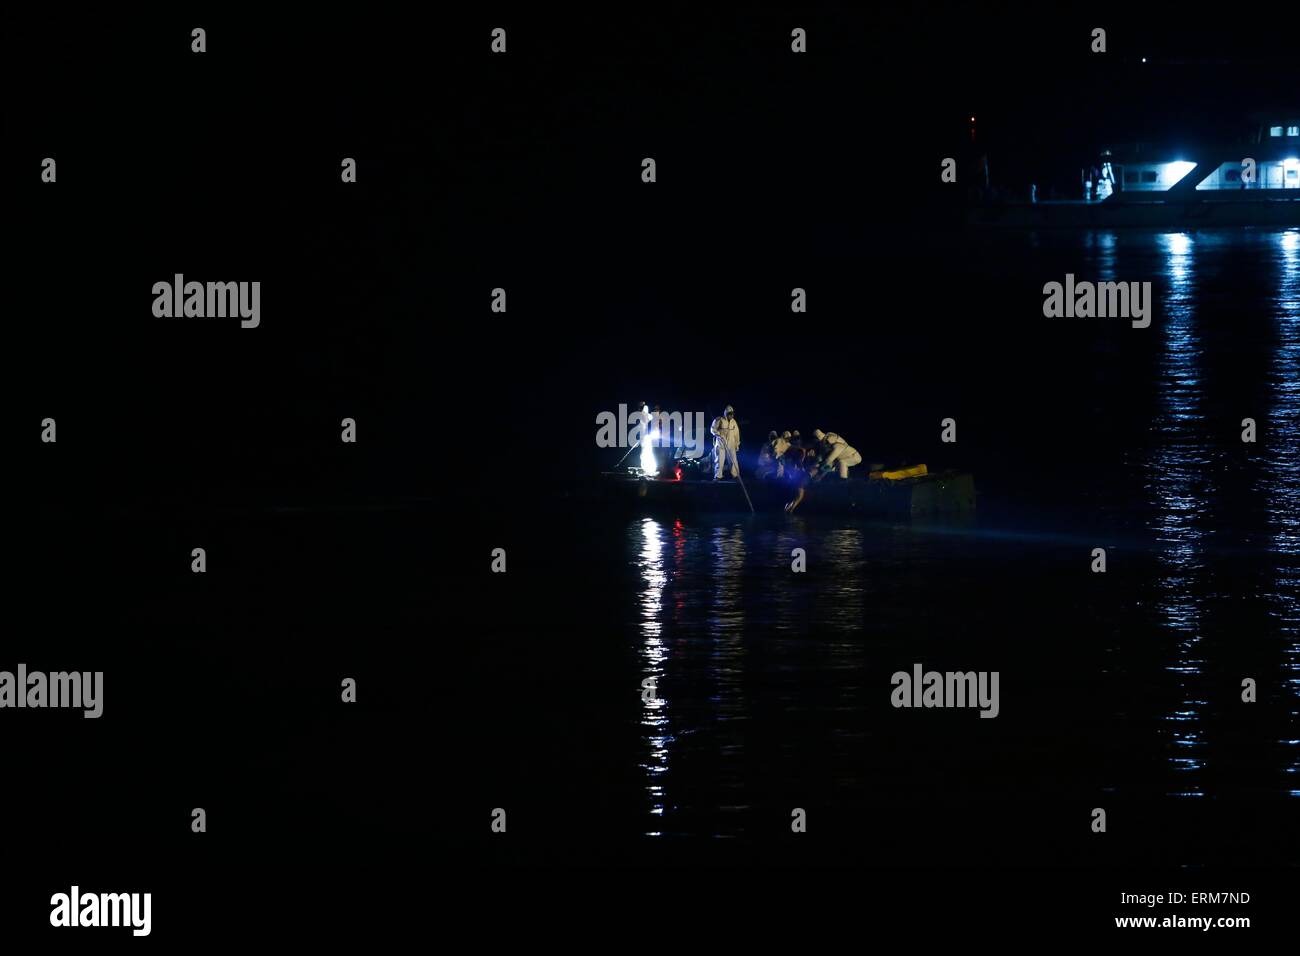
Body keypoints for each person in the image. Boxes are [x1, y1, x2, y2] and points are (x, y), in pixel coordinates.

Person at [710, 405, 740, 479]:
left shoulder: (734, 422)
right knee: (719, 461)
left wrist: (737, 444)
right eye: (729, 414)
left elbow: (736, 434)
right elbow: (712, 429)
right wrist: (718, 434)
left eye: (732, 413)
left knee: (733, 461)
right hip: (721, 444)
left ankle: (735, 475)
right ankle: (718, 476)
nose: (731, 415)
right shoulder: (719, 420)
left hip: (731, 445)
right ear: (726, 413)